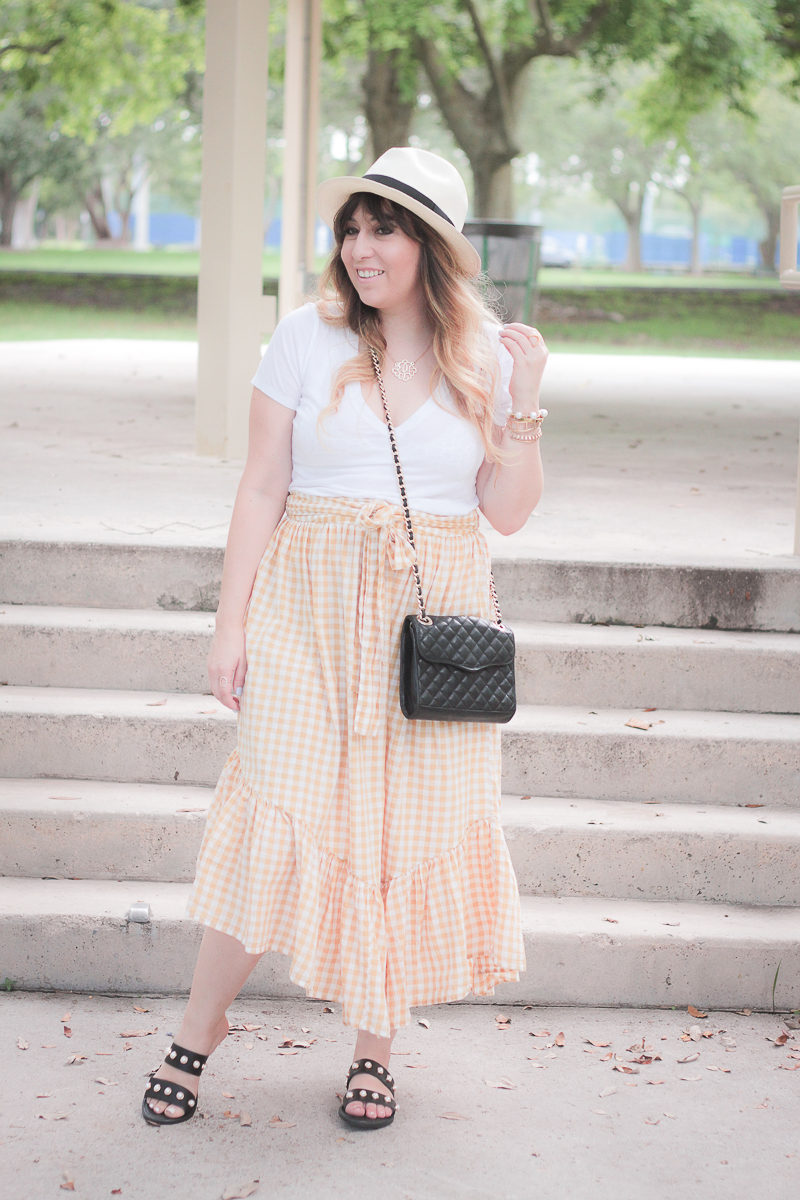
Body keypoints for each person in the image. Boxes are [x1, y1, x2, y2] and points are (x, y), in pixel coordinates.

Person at [141, 146, 547, 1131]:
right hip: (305, 609)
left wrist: (525, 401)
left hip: (426, 616)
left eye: (386, 229)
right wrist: (228, 623)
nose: (362, 249)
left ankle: (374, 1046)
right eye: (353, 229)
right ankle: (199, 1027)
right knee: (274, 807)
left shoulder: (487, 353)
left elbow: (504, 513)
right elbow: (262, 484)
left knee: (394, 834)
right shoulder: (303, 337)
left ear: (430, 245)